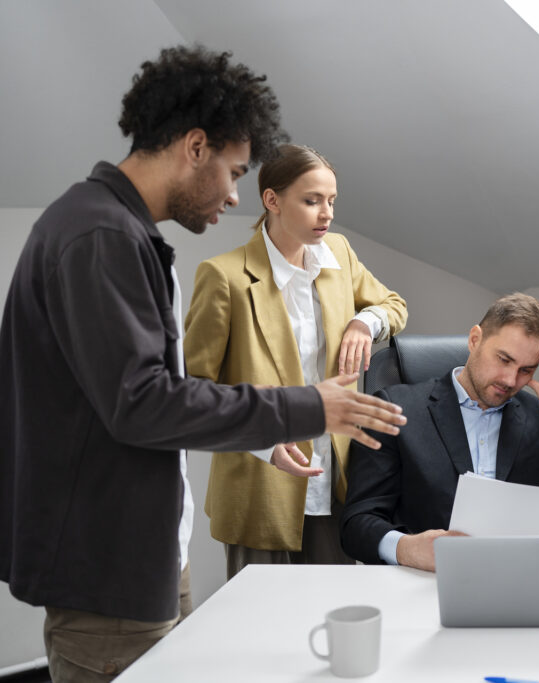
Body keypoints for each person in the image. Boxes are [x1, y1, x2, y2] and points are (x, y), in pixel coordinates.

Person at [0, 46, 406, 683]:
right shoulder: (100, 237)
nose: (236, 194)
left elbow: (153, 392)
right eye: (235, 171)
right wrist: (310, 405)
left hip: (144, 550)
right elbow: (145, 403)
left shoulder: (113, 228)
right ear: (195, 147)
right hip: (107, 565)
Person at [184, 143, 408, 579]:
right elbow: (195, 390)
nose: (326, 213)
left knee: (334, 620)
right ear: (272, 200)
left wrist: (366, 322)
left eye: (331, 201)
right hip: (259, 485)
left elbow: (394, 305)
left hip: (335, 475)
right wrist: (265, 441)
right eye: (311, 201)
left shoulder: (339, 254)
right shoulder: (224, 277)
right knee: (264, 632)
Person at [341, 293, 539, 571]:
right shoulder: (394, 409)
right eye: (503, 359)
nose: (511, 380)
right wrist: (406, 548)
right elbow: (356, 524)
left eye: (526, 370)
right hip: (424, 587)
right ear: (475, 339)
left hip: (518, 586)